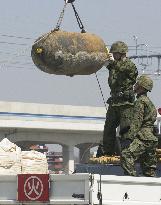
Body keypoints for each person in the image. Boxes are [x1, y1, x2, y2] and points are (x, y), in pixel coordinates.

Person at [100, 41, 138, 156]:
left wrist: (112, 63)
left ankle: (127, 156)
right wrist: (105, 61)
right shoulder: (114, 66)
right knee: (108, 130)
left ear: (121, 53)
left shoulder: (129, 65)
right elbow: (112, 67)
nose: (113, 55)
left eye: (115, 53)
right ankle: (108, 153)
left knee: (125, 132)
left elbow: (122, 68)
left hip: (126, 104)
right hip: (114, 102)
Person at [120, 75, 158, 177]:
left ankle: (131, 181)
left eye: (137, 83)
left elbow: (137, 122)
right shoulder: (150, 103)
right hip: (152, 139)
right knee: (149, 168)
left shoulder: (140, 101)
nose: (135, 85)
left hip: (143, 137)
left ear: (141, 86)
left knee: (126, 155)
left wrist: (128, 138)